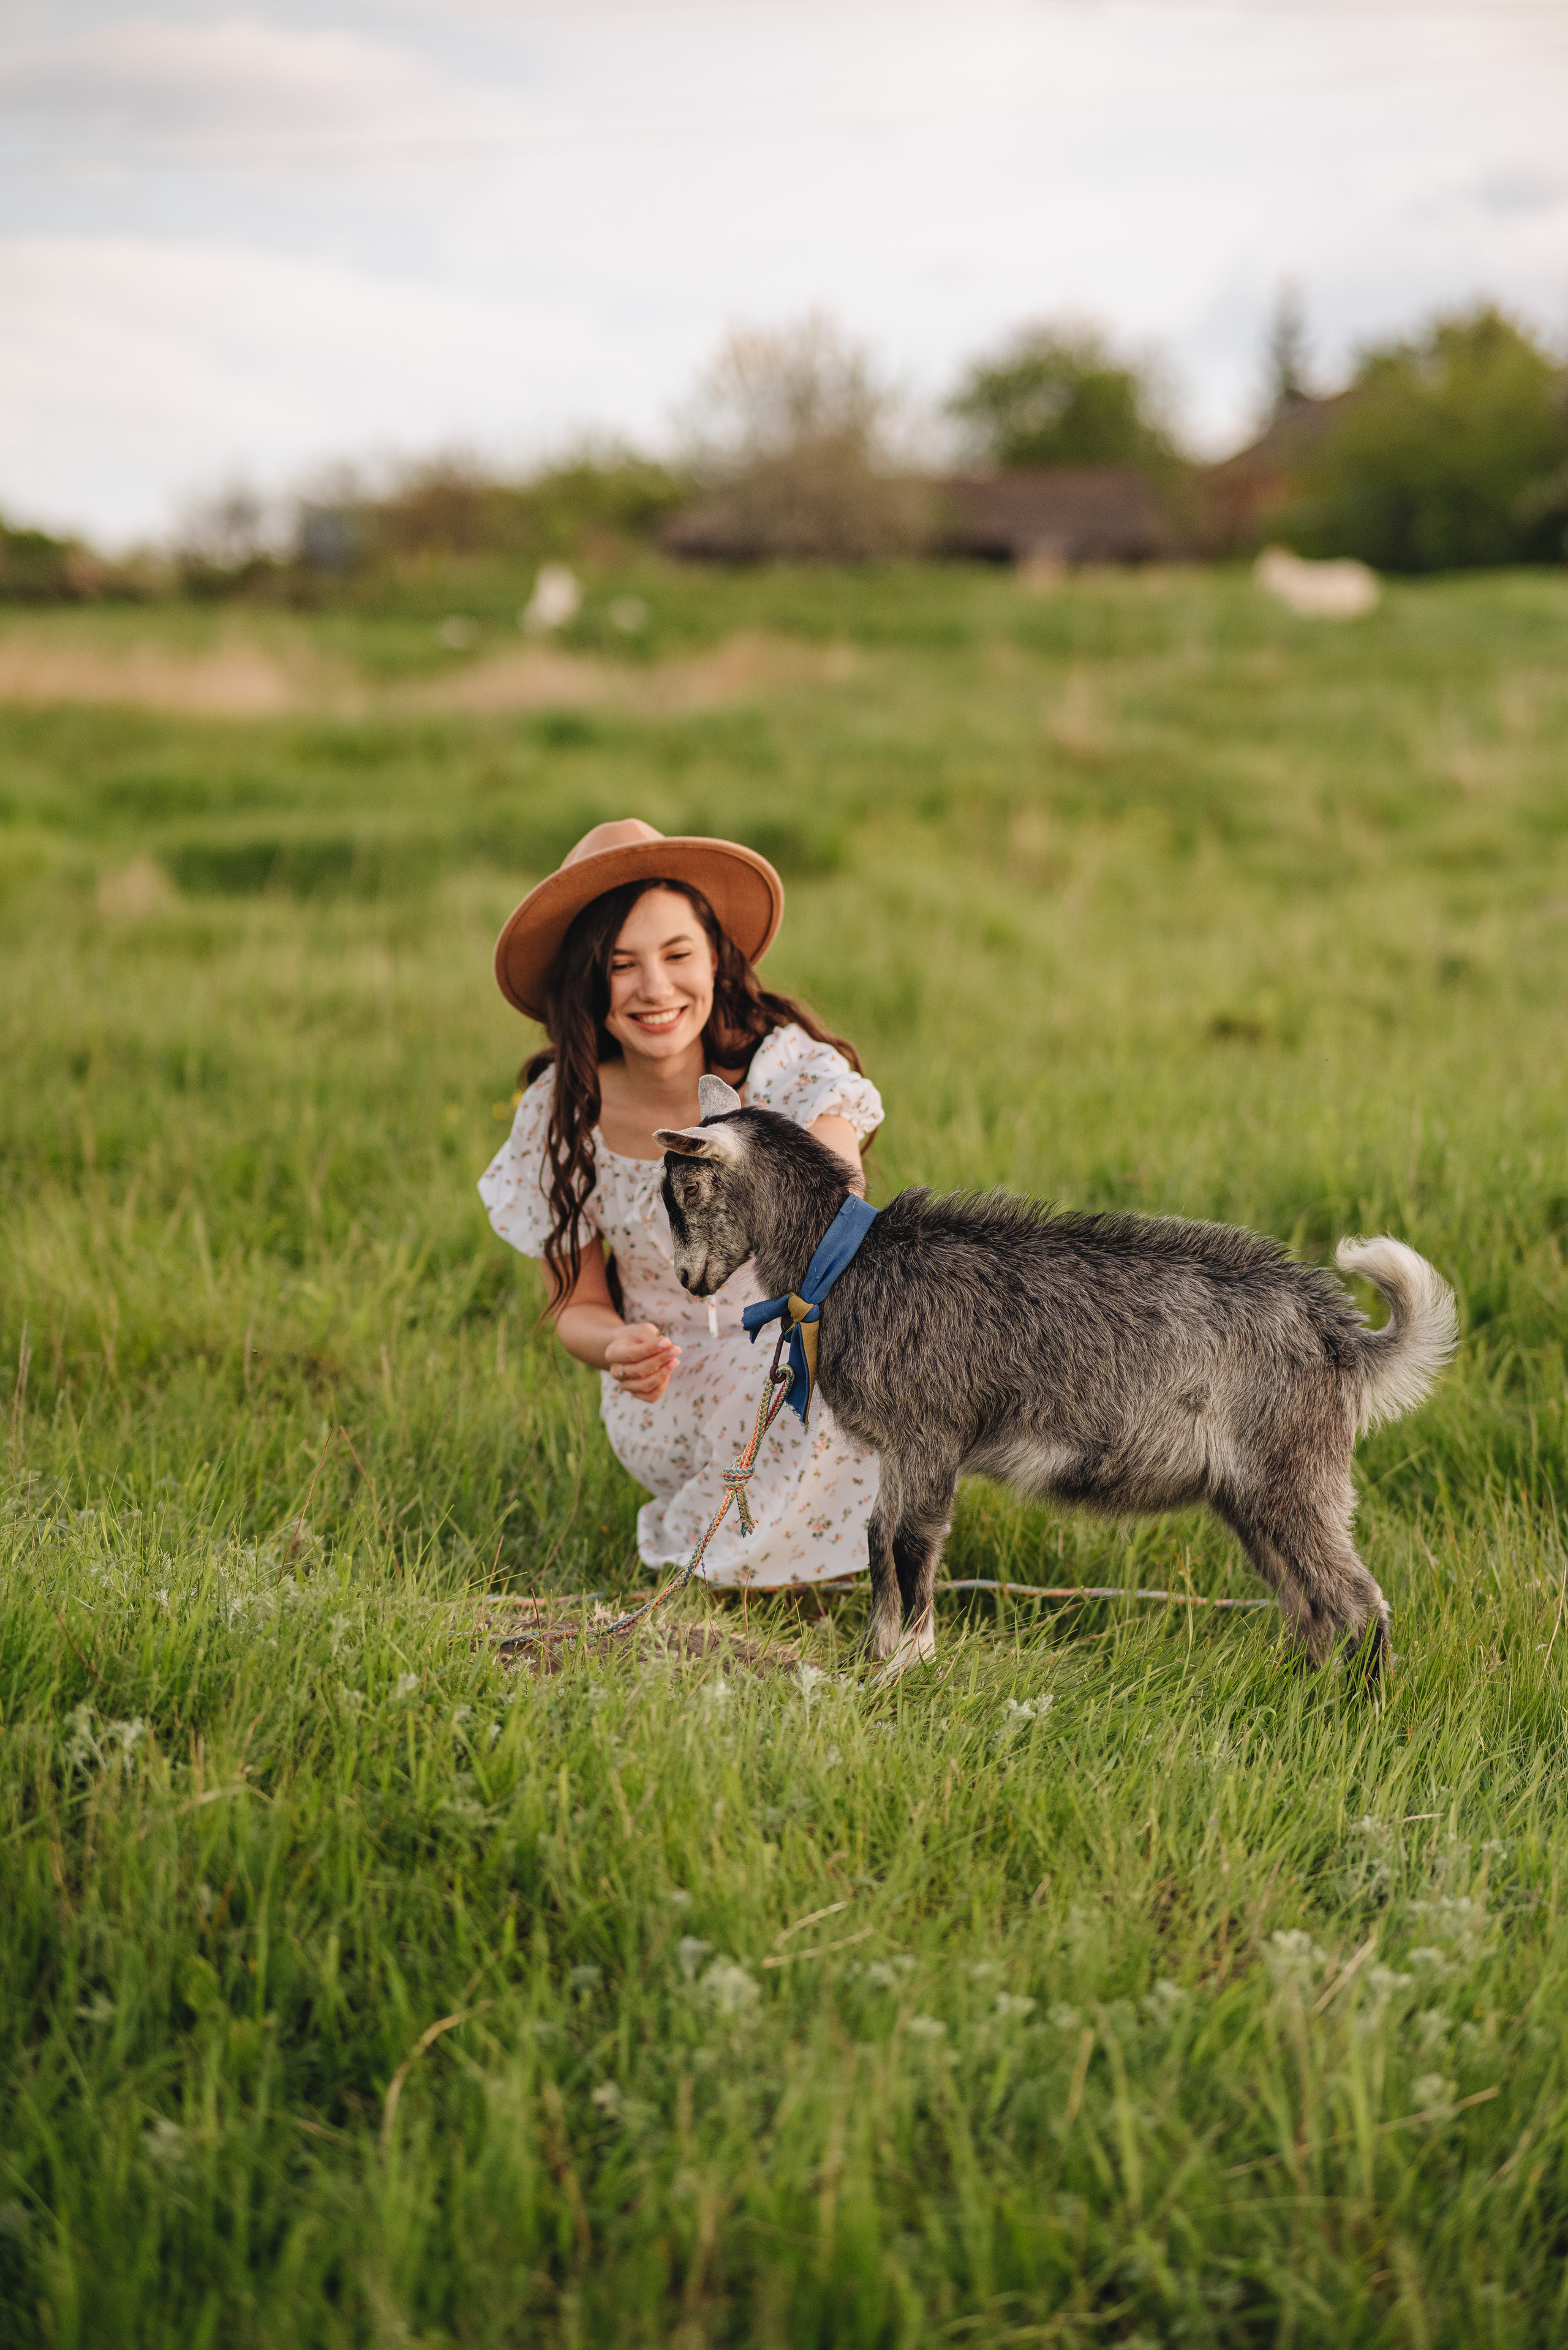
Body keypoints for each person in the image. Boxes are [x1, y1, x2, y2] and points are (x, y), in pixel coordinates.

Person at [479, 818, 883, 1589]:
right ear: (585, 983)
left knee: (844, 1355)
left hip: (790, 1330)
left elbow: (836, 1169)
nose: (655, 988)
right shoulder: (560, 1113)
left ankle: (818, 1562)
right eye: (621, 965)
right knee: (757, 1392)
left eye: (676, 955)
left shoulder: (778, 1066)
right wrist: (614, 1347)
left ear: (715, 961)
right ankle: (739, 1561)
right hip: (670, 1382)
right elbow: (577, 1307)